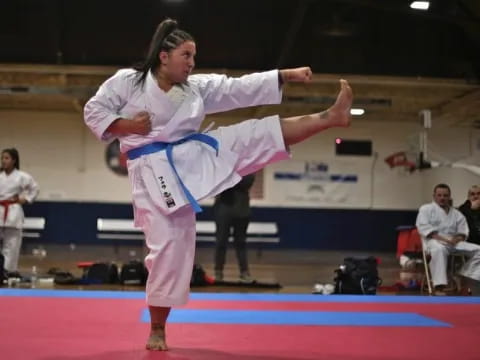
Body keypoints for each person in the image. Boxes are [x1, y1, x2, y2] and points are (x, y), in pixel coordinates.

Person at [84, 18, 353, 351]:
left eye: (194, 57)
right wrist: (128, 125)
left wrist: (283, 76)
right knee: (169, 251)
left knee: (253, 135)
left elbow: (237, 88)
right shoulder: (129, 81)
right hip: (152, 172)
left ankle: (330, 117)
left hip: (191, 157)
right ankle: (157, 327)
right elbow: (94, 111)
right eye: (187, 55)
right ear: (164, 56)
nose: (192, 63)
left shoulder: (195, 88)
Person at [416, 183, 480, 295]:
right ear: (434, 196)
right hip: (433, 242)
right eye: (439, 195)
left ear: (449, 197)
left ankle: (464, 274)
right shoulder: (426, 209)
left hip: (453, 242)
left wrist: (457, 238)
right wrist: (446, 240)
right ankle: (439, 286)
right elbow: (425, 229)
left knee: (478, 250)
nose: (442, 198)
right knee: (439, 249)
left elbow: (463, 231)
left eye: (445, 195)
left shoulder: (456, 213)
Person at [0, 148, 39, 276]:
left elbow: (35, 189)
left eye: (7, 158)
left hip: (13, 211)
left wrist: (25, 199)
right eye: (2, 158)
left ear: (14, 160)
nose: (3, 161)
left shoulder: (22, 176)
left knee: (12, 245)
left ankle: (9, 270)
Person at [214, 173, 255, 282]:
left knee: (241, 243)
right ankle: (218, 272)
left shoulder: (248, 164)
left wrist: (230, 177)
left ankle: (244, 272)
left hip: (242, 210)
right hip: (223, 208)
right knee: (221, 242)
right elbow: (217, 182)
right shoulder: (223, 163)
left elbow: (247, 182)